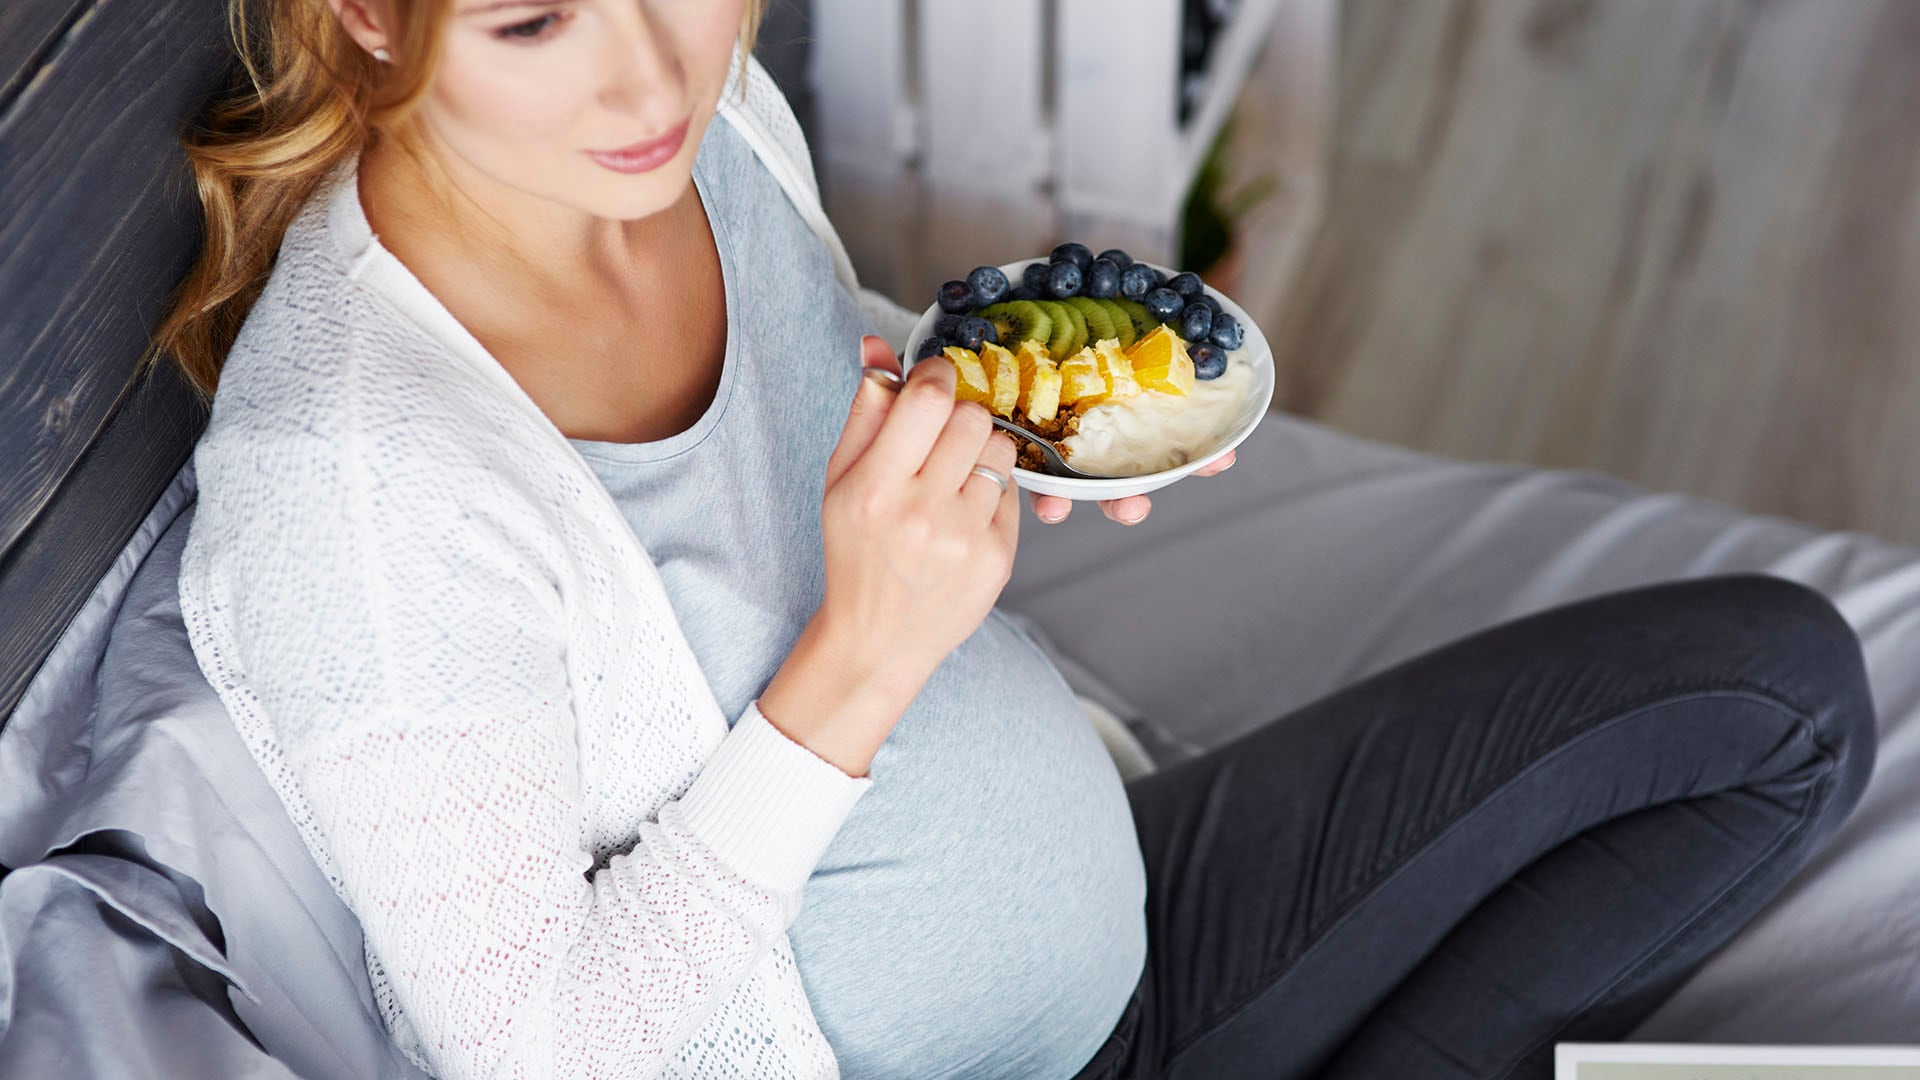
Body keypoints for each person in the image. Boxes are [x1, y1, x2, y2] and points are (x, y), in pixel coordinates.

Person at [145, 0, 1879, 1077]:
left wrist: (1017, 415)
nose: (653, 71)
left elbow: (818, 412)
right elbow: (544, 1050)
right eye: (535, 22)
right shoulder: (356, 489)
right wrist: (860, 664)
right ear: (367, 10)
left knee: (1781, 696)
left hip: (1124, 901)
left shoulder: (704, 132)